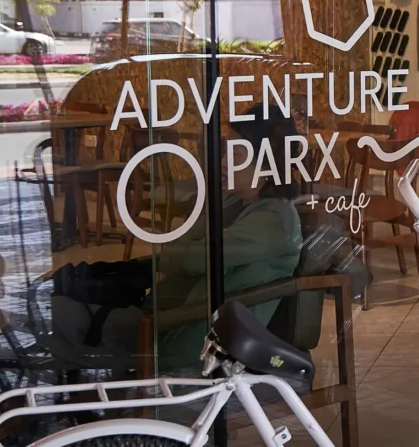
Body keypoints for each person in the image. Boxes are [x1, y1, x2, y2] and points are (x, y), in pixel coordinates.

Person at [49, 104, 305, 372]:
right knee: (62, 303)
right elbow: (183, 242)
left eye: (236, 154)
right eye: (226, 151)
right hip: (164, 315)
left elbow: (195, 257)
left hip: (188, 335)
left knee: (59, 316)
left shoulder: (274, 220)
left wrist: (165, 260)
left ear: (265, 164)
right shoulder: (233, 201)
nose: (223, 161)